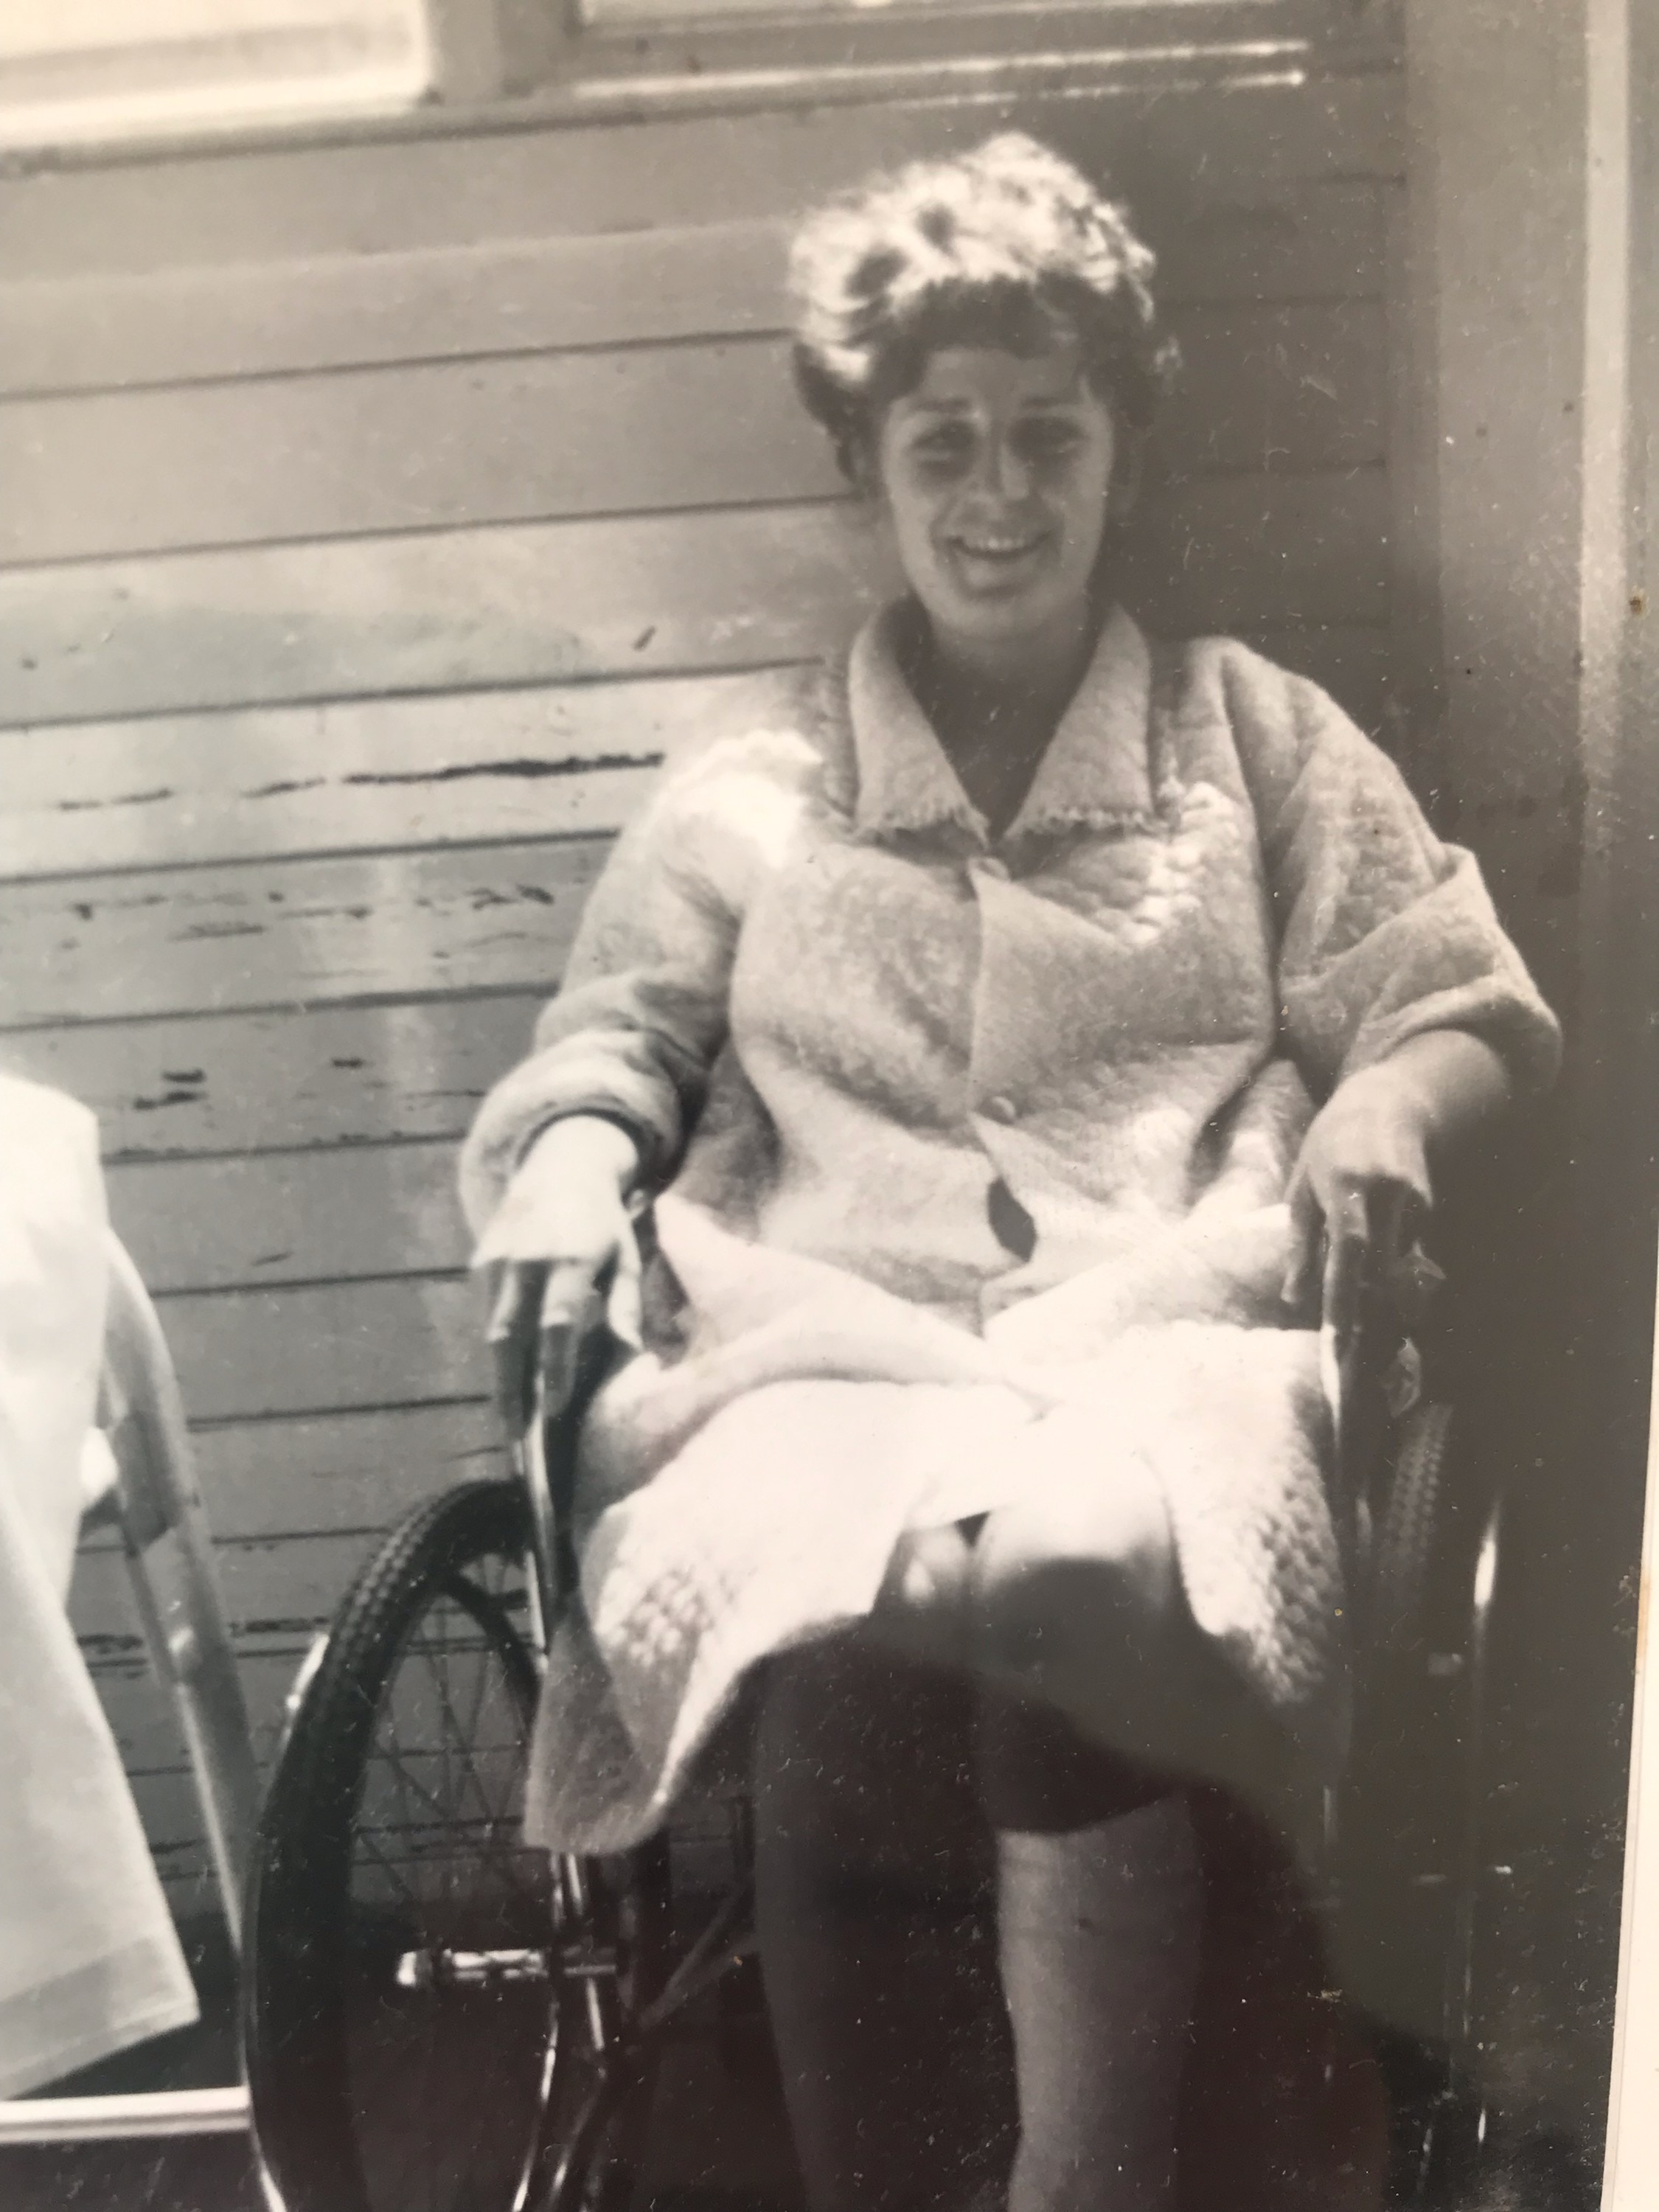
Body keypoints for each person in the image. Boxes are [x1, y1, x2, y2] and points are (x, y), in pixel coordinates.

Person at [459, 135, 1560, 2212]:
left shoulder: (1248, 739)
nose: (994, 493)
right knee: (855, 1610)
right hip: (819, 1348)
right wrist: (566, 1161)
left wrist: (1390, 1100)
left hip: (1175, 1327)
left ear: (1119, 455)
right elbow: (616, 1038)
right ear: (858, 476)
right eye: (938, 441)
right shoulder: (752, 787)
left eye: (1045, 434)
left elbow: (1450, 994)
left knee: (1049, 1556)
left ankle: (1084, 2186)